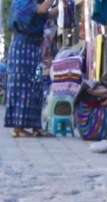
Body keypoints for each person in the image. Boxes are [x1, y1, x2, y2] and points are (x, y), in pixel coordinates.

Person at [4, 0, 57, 138]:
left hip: (34, 50)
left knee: (36, 87)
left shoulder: (34, 6)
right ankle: (17, 127)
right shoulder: (21, 3)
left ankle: (36, 126)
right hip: (21, 50)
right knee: (22, 88)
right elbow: (42, 9)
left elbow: (47, 13)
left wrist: (64, 6)